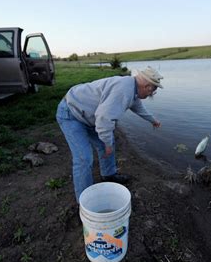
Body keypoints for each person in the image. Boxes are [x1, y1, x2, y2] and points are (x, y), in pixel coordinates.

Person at [56, 66, 163, 202]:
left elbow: (137, 106)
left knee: (108, 143)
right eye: (152, 91)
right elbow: (103, 119)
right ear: (147, 86)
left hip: (88, 115)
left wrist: (152, 120)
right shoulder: (123, 89)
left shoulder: (132, 87)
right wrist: (106, 142)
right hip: (71, 113)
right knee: (84, 158)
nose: (151, 94)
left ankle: (108, 175)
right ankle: (83, 202)